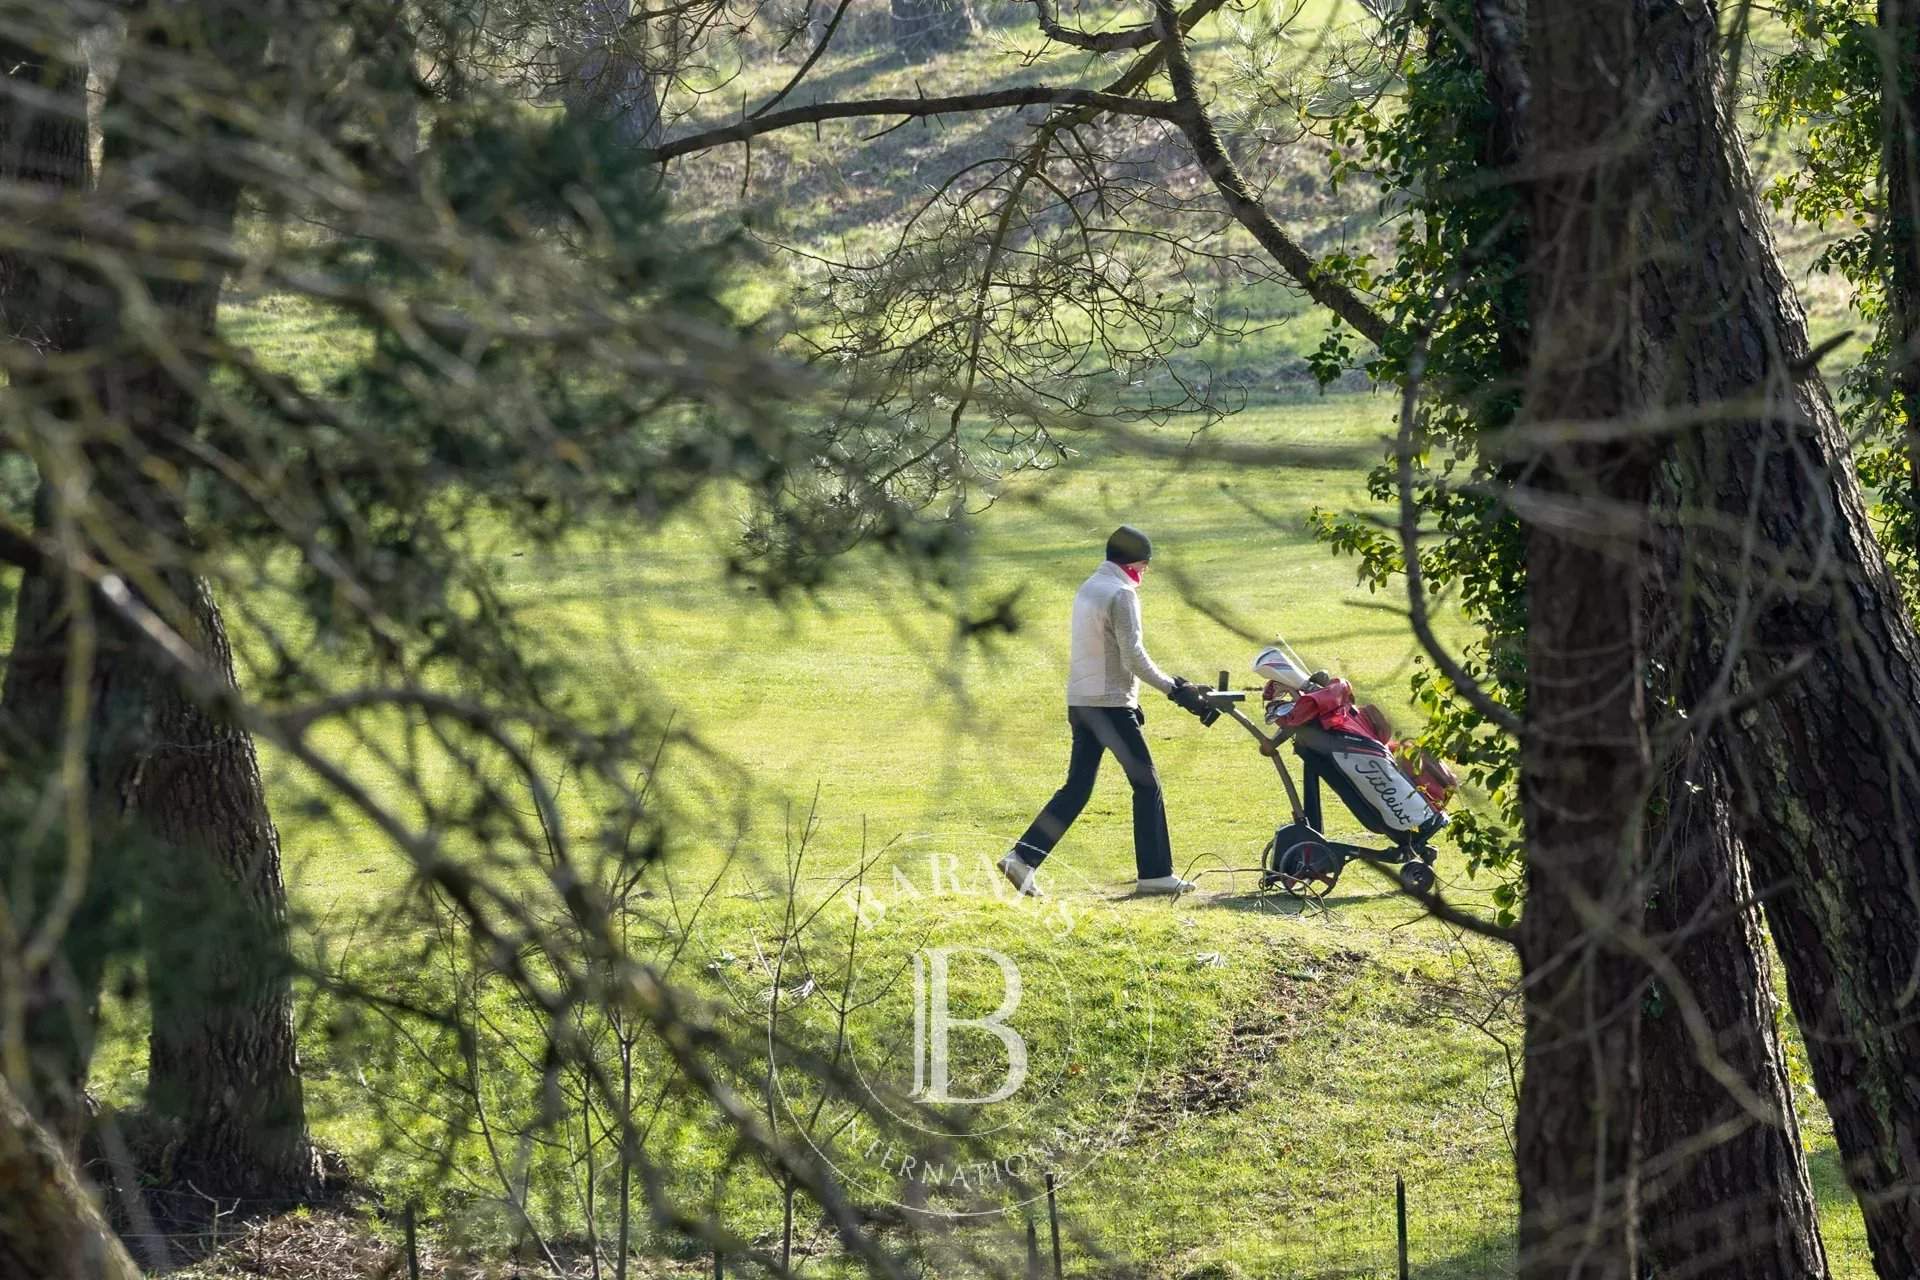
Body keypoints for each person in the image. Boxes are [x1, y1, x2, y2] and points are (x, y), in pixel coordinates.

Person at [1000, 525, 1214, 898]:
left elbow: (1107, 653)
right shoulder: (1122, 594)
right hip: (1109, 705)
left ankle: (1022, 858)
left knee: (1077, 788)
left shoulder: (1089, 588)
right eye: (1144, 565)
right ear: (1134, 563)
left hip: (1082, 701)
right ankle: (1155, 874)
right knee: (1146, 784)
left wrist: (1135, 697)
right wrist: (1174, 689)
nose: (1145, 572)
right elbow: (1133, 655)